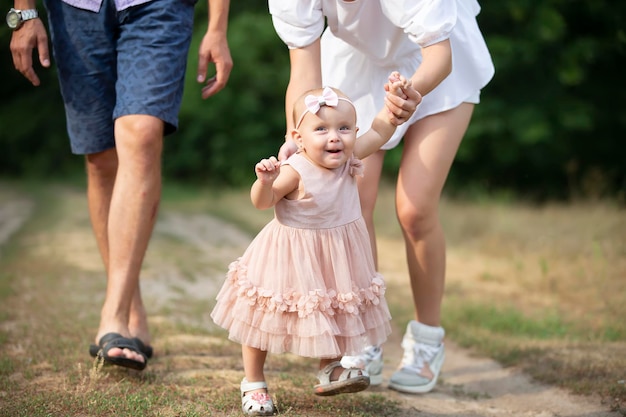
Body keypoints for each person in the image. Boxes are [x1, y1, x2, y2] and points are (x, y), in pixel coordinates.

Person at [269, 0, 495, 394]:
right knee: (351, 203)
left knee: (415, 209)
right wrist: (296, 138)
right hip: (355, 67)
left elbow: (439, 57)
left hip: (434, 67)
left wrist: (408, 95)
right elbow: (303, 72)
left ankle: (427, 339)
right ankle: (363, 337)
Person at [9, 0, 233, 370]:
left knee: (142, 135)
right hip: (75, 10)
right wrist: (23, 12)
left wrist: (218, 26)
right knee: (101, 160)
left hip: (160, 7)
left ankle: (112, 317)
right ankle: (131, 308)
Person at [211, 77, 416, 416]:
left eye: (345, 128)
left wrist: (393, 104)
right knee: (263, 317)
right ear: (298, 139)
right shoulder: (295, 170)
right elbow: (262, 203)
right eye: (321, 129)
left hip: (336, 254)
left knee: (335, 306)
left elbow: (380, 131)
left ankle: (331, 366)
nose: (335, 137)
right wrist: (264, 181)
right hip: (289, 255)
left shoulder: (349, 158)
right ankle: (254, 381)